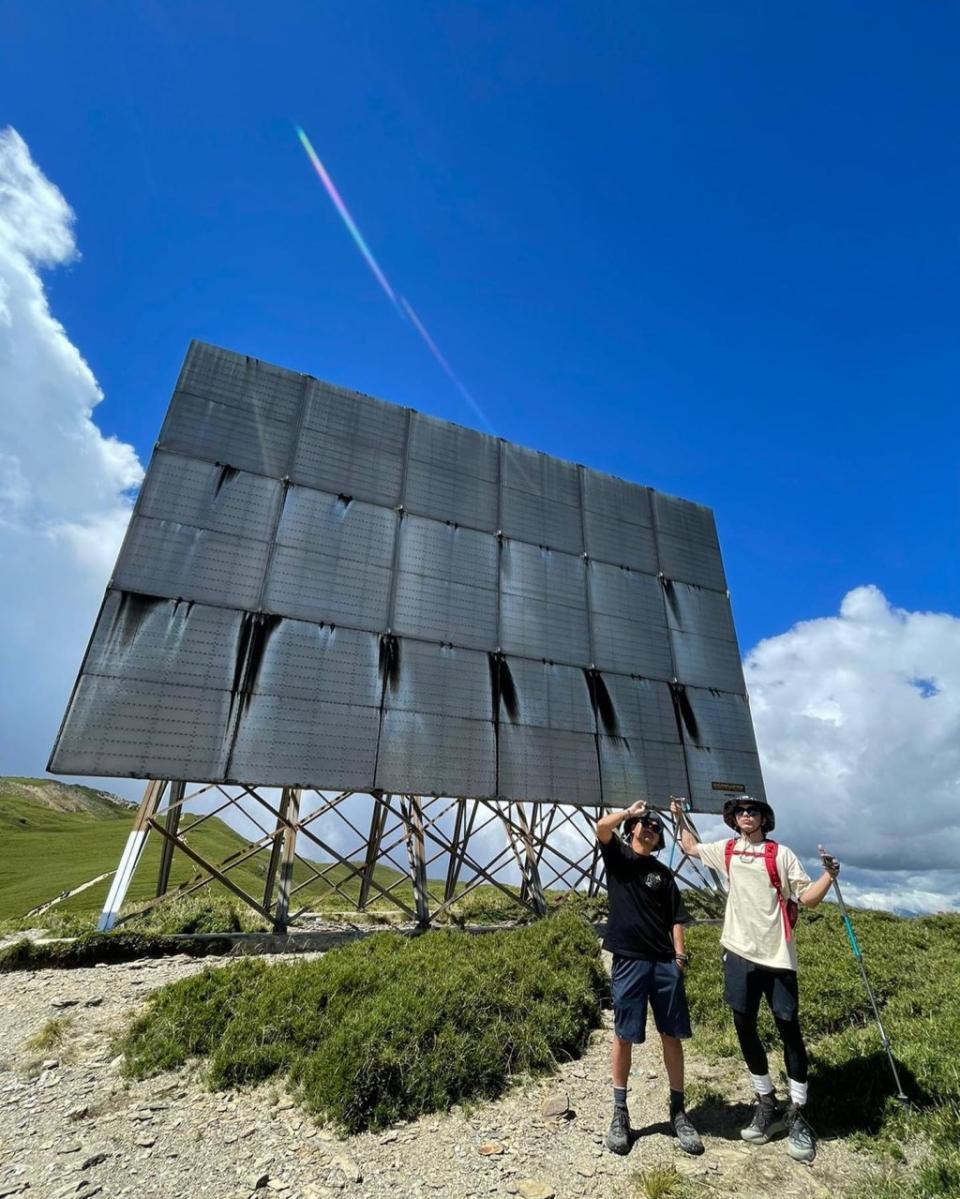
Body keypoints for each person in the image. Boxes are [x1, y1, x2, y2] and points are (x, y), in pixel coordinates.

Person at [670, 795, 840, 1163]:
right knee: (744, 1026)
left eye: (753, 811)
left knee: (788, 1028)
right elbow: (690, 847)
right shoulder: (727, 848)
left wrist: (829, 875)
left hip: (778, 957)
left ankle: (799, 1113)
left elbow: (808, 898)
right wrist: (680, 815)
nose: (747, 816)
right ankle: (766, 1101)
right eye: (741, 812)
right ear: (734, 819)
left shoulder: (781, 854)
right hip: (738, 952)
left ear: (764, 818)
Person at [596, 799, 703, 1157]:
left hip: (663, 964)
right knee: (623, 1034)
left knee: (671, 1035)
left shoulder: (664, 874)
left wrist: (679, 958)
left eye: (656, 827)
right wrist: (629, 812)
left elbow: (676, 917)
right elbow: (601, 827)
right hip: (629, 960)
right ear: (631, 831)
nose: (650, 828)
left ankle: (678, 1111)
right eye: (645, 824)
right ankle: (620, 1113)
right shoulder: (619, 858)